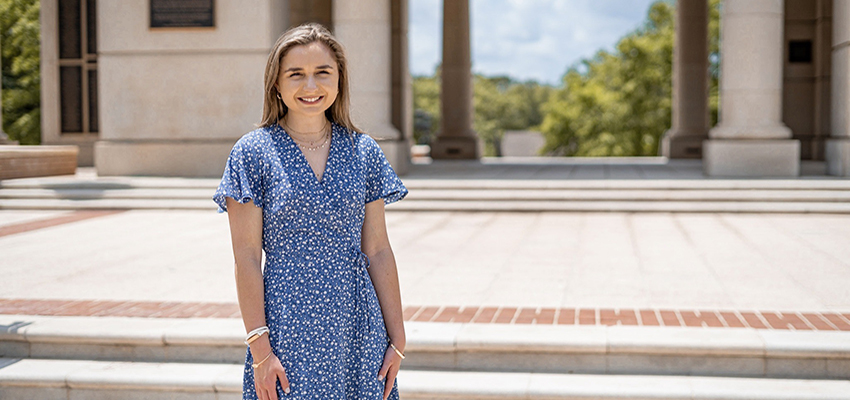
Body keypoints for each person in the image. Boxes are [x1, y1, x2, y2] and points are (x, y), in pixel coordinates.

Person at [213, 23, 407, 400]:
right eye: (296, 75)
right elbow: (247, 257)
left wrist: (397, 335)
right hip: (287, 331)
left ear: (339, 81)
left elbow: (378, 249)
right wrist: (260, 350)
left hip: (359, 327)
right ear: (277, 84)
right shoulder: (253, 154)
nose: (311, 86)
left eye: (323, 73)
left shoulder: (364, 151)